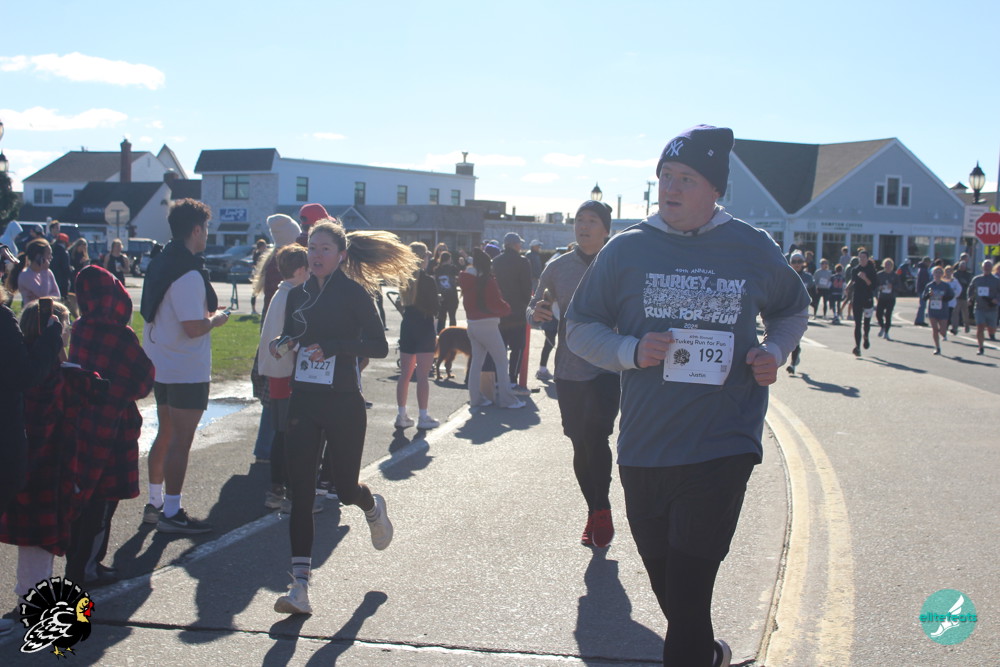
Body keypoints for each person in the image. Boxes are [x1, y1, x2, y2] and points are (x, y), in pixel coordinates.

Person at [566, 125, 809, 667]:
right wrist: (630, 349)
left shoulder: (751, 246)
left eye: (687, 179)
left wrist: (775, 350)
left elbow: (793, 308)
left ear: (715, 189)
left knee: (690, 592)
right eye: (666, 176)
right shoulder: (627, 249)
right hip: (644, 447)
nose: (671, 188)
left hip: (722, 443)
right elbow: (579, 326)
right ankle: (708, 655)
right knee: (674, 596)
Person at [268, 220, 415, 615]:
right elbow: (293, 334)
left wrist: (333, 347)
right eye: (312, 248)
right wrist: (284, 343)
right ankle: (300, 587)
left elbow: (379, 346)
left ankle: (372, 506)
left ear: (341, 255)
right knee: (301, 493)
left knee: (345, 489)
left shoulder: (354, 293)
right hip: (304, 400)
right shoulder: (298, 295)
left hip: (343, 402)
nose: (316, 255)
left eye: (325, 249)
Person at [528, 200, 619, 548]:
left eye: (592, 221)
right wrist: (535, 313)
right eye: (579, 220)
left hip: (608, 367)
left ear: (606, 229)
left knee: (597, 436)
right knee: (579, 441)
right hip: (569, 368)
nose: (583, 226)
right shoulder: (557, 266)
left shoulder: (620, 264)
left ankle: (602, 508)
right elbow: (533, 306)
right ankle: (593, 510)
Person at [140, 199, 230, 533]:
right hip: (185, 368)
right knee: (180, 441)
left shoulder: (161, 261)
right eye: (205, 228)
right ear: (196, 230)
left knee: (165, 433)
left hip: (161, 362)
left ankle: (155, 503)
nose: (207, 234)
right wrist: (217, 319)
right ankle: (172, 511)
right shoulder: (189, 273)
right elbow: (193, 327)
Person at [65, 265, 154, 587]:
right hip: (112, 428)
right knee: (101, 502)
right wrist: (123, 393)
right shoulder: (120, 335)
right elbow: (144, 379)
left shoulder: (79, 328)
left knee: (80, 497)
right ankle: (86, 568)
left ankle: (79, 562)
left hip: (79, 423)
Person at [256, 244, 309, 511]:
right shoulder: (292, 296)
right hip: (286, 372)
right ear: (300, 270)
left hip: (277, 372)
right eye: (308, 269)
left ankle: (278, 488)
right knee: (288, 433)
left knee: (281, 431)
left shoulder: (281, 293)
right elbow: (290, 338)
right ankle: (284, 490)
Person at [459, 249, 527, 410]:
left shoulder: (467, 280)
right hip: (488, 325)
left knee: (476, 363)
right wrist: (507, 308)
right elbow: (496, 303)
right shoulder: (488, 282)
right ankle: (507, 400)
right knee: (502, 362)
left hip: (472, 324)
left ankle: (476, 399)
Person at [395, 242, 441, 430]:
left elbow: (401, 303)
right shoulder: (428, 280)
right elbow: (435, 308)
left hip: (407, 325)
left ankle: (401, 415)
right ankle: (423, 416)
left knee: (405, 374)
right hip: (424, 326)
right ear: (423, 258)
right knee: (422, 375)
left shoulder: (404, 278)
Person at [492, 232, 533, 392]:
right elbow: (527, 288)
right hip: (517, 311)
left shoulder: (495, 261)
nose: (520, 246)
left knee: (499, 347)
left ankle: (497, 378)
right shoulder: (522, 262)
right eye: (519, 243)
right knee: (518, 347)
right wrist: (527, 304)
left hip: (498, 309)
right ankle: (512, 380)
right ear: (514, 244)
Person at [6, 238, 61, 306]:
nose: (51, 257)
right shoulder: (25, 275)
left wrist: (46, 298)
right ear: (38, 256)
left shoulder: (49, 272)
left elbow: (57, 295)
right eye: (49, 254)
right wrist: (44, 270)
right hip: (32, 312)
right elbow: (43, 295)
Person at [787, 252, 812, 374]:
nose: (797, 264)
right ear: (790, 263)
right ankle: (795, 357)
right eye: (794, 261)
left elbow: (814, 292)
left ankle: (792, 364)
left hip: (801, 312)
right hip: (787, 310)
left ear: (803, 263)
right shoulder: (786, 275)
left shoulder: (808, 277)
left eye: (799, 261)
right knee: (790, 338)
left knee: (796, 339)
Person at [849, 249, 877, 357]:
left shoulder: (871, 270)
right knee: (857, 324)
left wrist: (865, 278)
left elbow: (873, 286)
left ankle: (866, 336)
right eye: (860, 257)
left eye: (864, 257)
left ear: (867, 258)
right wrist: (848, 288)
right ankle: (857, 347)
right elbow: (853, 281)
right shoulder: (855, 270)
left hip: (868, 298)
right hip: (857, 298)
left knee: (866, 323)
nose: (862, 259)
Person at [968, 259, 1000, 355]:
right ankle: (980, 347)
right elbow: (970, 289)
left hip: (992, 308)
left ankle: (991, 332)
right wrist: (969, 298)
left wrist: (996, 299)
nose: (987, 268)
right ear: (982, 267)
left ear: (992, 268)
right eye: (985, 266)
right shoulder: (977, 279)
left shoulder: (996, 280)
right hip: (979, 307)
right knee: (980, 327)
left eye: (989, 266)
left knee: (992, 329)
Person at [924, 267, 954, 355]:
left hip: (943, 309)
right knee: (935, 329)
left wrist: (943, 298)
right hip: (932, 310)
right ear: (933, 274)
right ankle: (937, 347)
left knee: (942, 331)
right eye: (936, 272)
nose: (938, 274)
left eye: (940, 272)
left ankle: (943, 334)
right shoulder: (930, 286)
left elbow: (951, 295)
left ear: (942, 274)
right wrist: (929, 295)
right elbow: (924, 297)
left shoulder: (945, 286)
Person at [433, 251, 460, 332]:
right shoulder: (453, 268)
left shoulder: (437, 269)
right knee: (452, 317)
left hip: (441, 296)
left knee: (442, 317)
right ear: (449, 259)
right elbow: (459, 274)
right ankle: (453, 333)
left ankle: (440, 333)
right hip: (452, 296)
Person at [875, 258, 901, 340]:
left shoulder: (895, 276)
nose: (887, 266)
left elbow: (899, 286)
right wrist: (879, 287)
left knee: (888, 315)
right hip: (882, 297)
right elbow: (875, 285)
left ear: (892, 266)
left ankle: (886, 332)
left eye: (889, 265)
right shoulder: (879, 274)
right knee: (878, 314)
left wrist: (892, 286)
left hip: (891, 298)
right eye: (886, 265)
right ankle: (882, 326)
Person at [50, 233, 72, 308]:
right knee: (62, 302)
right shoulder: (64, 252)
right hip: (62, 280)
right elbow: (65, 268)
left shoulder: (52, 250)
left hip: (53, 278)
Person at [951, 260, 973, 335]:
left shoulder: (968, 275)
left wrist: (970, 297)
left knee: (965, 313)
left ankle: (967, 326)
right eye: (961, 266)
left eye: (964, 265)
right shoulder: (955, 274)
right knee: (955, 313)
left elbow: (970, 285)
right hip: (957, 297)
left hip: (965, 296)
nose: (962, 267)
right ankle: (954, 328)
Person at [250, 239, 269, 315]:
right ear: (261, 246)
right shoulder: (257, 254)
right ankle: (253, 309)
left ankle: (265, 308)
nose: (266, 247)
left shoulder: (265, 254)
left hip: (263, 274)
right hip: (258, 275)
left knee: (266, 292)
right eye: (264, 246)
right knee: (255, 293)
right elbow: (255, 265)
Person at [913, 256, 932, 326]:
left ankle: (919, 319)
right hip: (923, 290)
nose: (930, 263)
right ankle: (919, 320)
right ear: (926, 262)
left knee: (922, 305)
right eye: (929, 262)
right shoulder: (923, 270)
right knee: (922, 305)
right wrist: (928, 289)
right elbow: (925, 281)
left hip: (921, 289)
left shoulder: (922, 269)